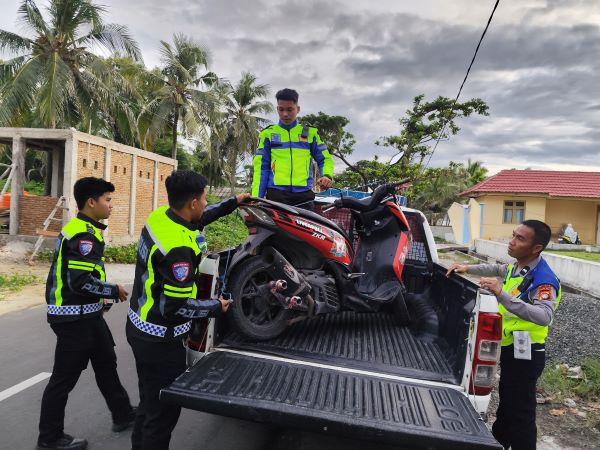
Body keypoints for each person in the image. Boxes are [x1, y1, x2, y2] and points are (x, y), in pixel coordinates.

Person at [126, 170, 249, 450]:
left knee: (148, 403)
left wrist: (234, 202)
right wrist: (215, 307)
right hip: (160, 339)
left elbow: (201, 218)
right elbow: (175, 308)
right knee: (162, 415)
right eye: (205, 198)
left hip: (139, 326)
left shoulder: (161, 217)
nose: (206, 203)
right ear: (193, 202)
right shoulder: (179, 249)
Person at [38, 177, 135, 450]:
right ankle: (49, 438)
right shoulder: (83, 235)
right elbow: (79, 282)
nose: (111, 205)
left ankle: (123, 413)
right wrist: (112, 291)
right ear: (91, 202)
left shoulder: (87, 229)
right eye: (108, 200)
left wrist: (101, 300)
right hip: (72, 317)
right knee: (63, 379)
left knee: (106, 362)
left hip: (88, 314)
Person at [446, 220, 561, 450]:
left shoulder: (544, 280)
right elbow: (500, 270)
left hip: (527, 355)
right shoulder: (519, 266)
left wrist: (501, 295)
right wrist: (467, 268)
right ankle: (497, 443)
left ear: (536, 248)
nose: (511, 241)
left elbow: (543, 315)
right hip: (512, 349)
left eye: (520, 238)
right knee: (508, 405)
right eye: (513, 235)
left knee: (521, 414)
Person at [251, 88, 334, 209]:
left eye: (290, 109)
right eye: (281, 109)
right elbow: (261, 168)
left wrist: (326, 175)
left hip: (304, 196)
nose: (285, 114)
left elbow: (325, 158)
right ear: (277, 109)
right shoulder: (267, 134)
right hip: (276, 196)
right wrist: (256, 197)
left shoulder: (310, 133)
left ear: (298, 109)